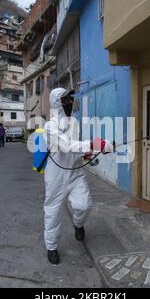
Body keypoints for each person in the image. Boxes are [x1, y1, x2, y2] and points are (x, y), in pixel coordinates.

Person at [43, 88, 113, 265]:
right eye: (65, 99)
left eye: (70, 99)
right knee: (53, 211)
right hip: (56, 176)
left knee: (84, 205)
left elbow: (75, 148)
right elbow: (66, 146)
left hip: (75, 173)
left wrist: (89, 154)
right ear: (57, 102)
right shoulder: (50, 126)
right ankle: (51, 247)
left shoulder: (74, 122)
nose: (69, 102)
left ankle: (78, 224)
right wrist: (95, 143)